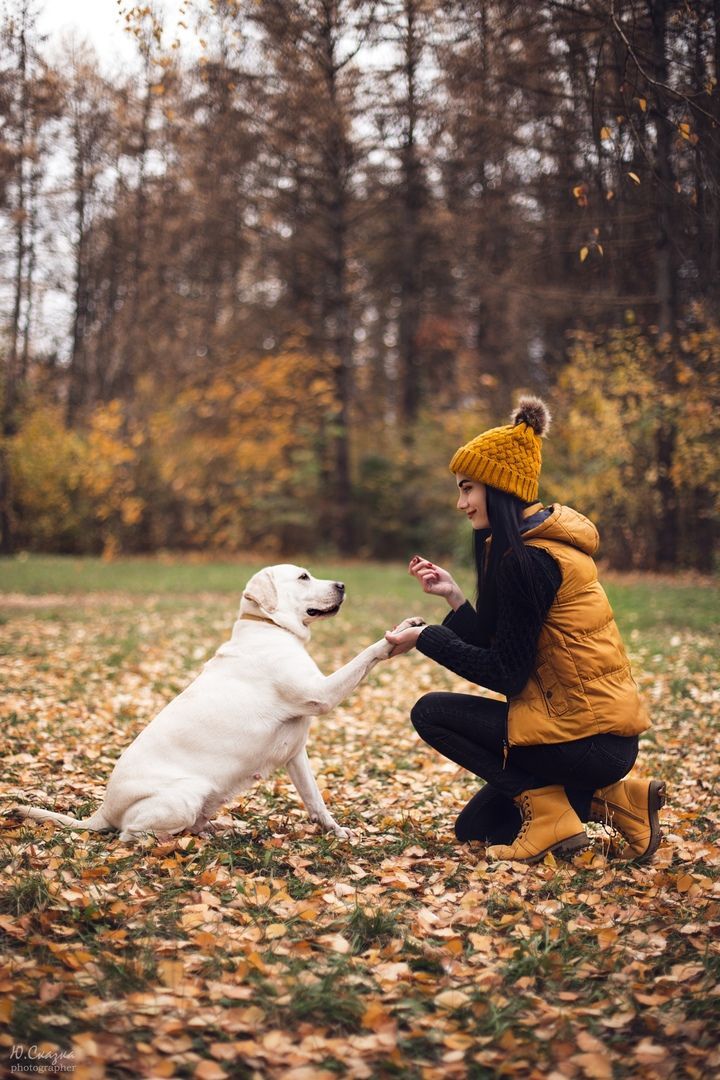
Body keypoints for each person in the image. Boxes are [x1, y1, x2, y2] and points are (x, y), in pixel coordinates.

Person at [385, 396, 665, 865]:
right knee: (479, 829)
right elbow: (505, 644)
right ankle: (619, 802)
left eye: (468, 488)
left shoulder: (530, 561)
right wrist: (454, 598)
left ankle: (558, 810)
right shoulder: (538, 546)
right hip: (592, 736)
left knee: (430, 712)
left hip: (585, 740)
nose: (461, 503)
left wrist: (427, 638)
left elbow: (504, 674)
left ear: (498, 487)